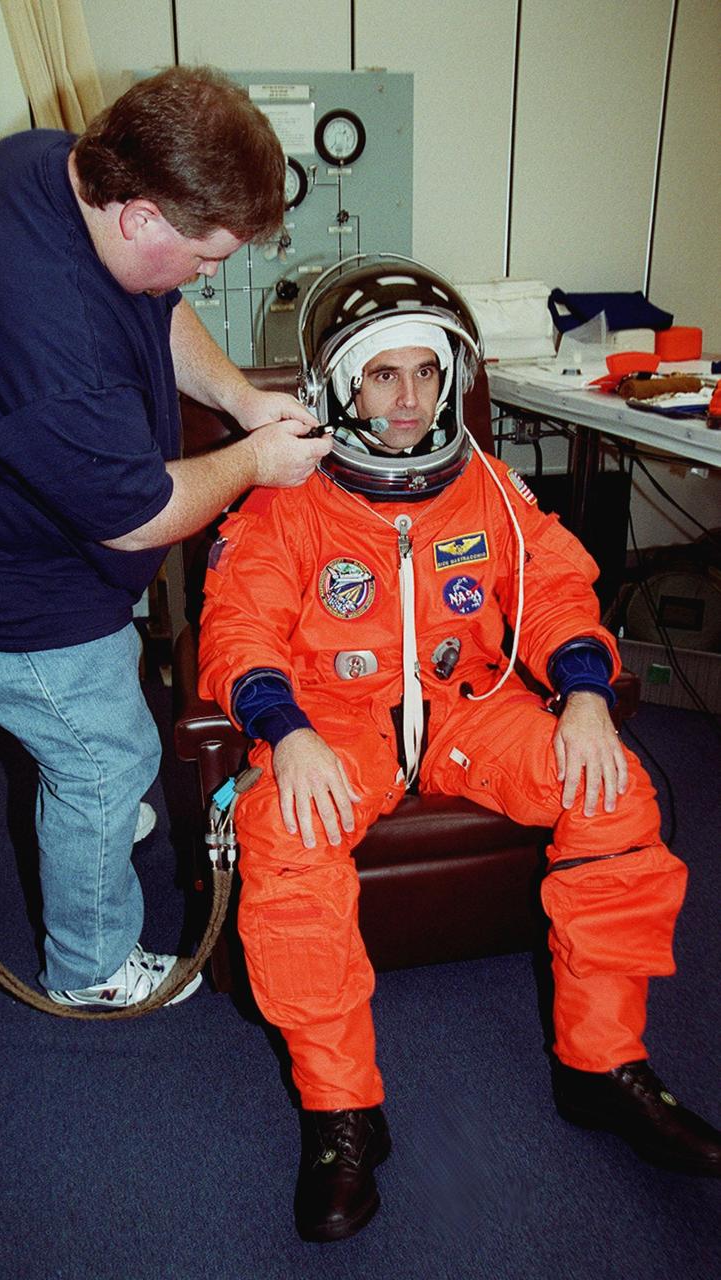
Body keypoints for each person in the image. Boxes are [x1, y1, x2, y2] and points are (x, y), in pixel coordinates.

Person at [197, 255, 721, 1241]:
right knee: (282, 827)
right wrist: (286, 728)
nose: (407, 398)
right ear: (337, 385)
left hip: (465, 706)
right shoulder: (289, 498)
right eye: (382, 373)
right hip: (335, 722)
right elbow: (238, 626)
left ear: (450, 381)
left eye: (426, 373)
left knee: (613, 795)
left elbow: (556, 586)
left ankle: (602, 1066)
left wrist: (583, 697)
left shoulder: (484, 489)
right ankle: (339, 1111)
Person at [0, 66, 330, 1011]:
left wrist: (240, 397)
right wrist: (252, 463)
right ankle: (90, 969)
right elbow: (138, 515)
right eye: (207, 257)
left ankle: (87, 829)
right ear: (142, 217)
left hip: (2, 533)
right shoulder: (42, 340)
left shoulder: (49, 164)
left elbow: (157, 307)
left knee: (105, 722)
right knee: (105, 756)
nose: (210, 275)